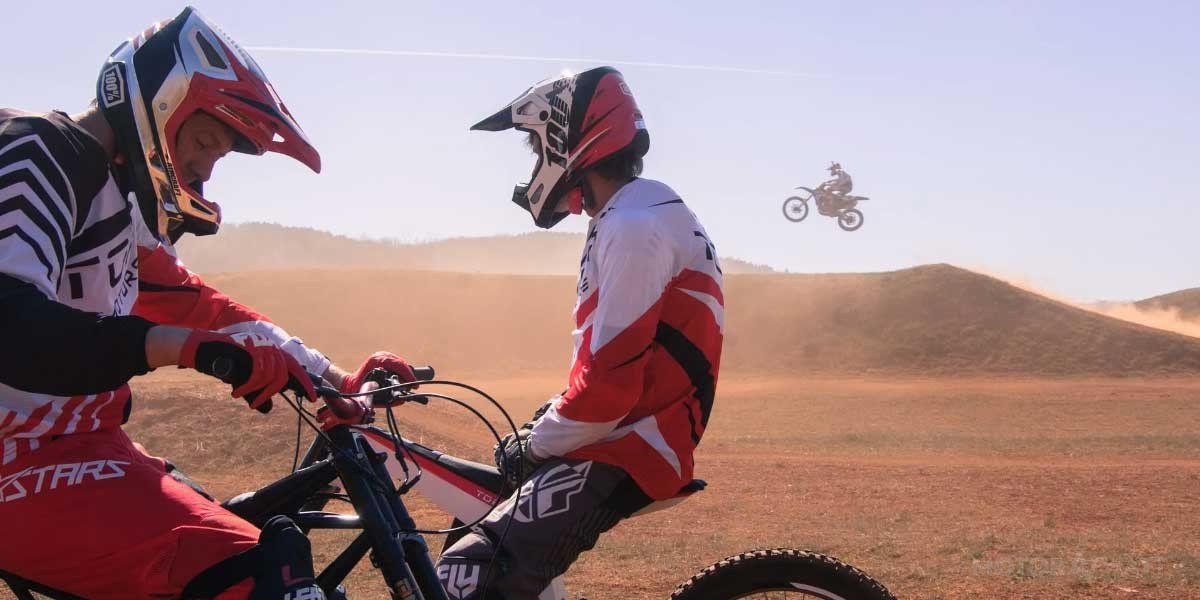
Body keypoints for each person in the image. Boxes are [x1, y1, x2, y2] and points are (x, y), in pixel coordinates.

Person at [0, 7, 415, 598]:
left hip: (85, 448)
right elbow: (11, 326)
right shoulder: (41, 151)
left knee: (254, 537)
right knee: (263, 573)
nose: (205, 169)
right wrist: (182, 349)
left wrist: (332, 377)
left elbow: (204, 309)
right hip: (18, 461)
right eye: (203, 143)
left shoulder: (118, 205)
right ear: (159, 104)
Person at [437, 66, 726, 599]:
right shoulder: (635, 214)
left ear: (566, 138)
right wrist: (546, 421)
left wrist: (537, 443)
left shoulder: (635, 228)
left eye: (536, 148)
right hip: (621, 435)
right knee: (470, 517)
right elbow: (606, 367)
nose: (535, 166)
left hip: (629, 445)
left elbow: (609, 391)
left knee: (466, 576)